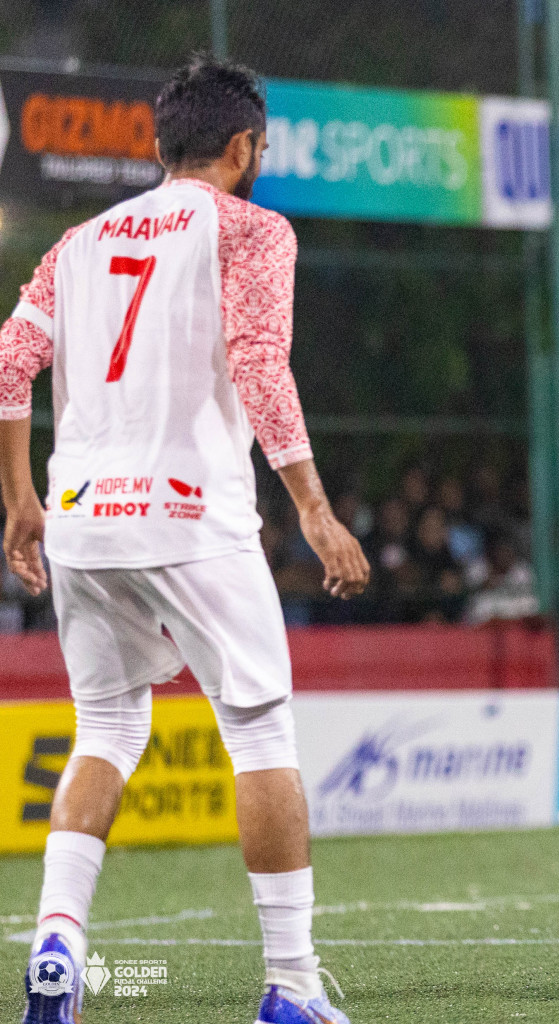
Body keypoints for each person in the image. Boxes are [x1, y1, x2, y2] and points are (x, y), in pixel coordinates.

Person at [0, 57, 368, 1024]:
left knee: (109, 732)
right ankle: (290, 987)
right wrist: (315, 508)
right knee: (260, 734)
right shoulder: (249, 228)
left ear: (160, 145)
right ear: (244, 148)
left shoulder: (77, 243)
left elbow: (8, 361)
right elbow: (258, 359)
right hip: (189, 514)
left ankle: (57, 947)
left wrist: (20, 501)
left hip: (79, 519)